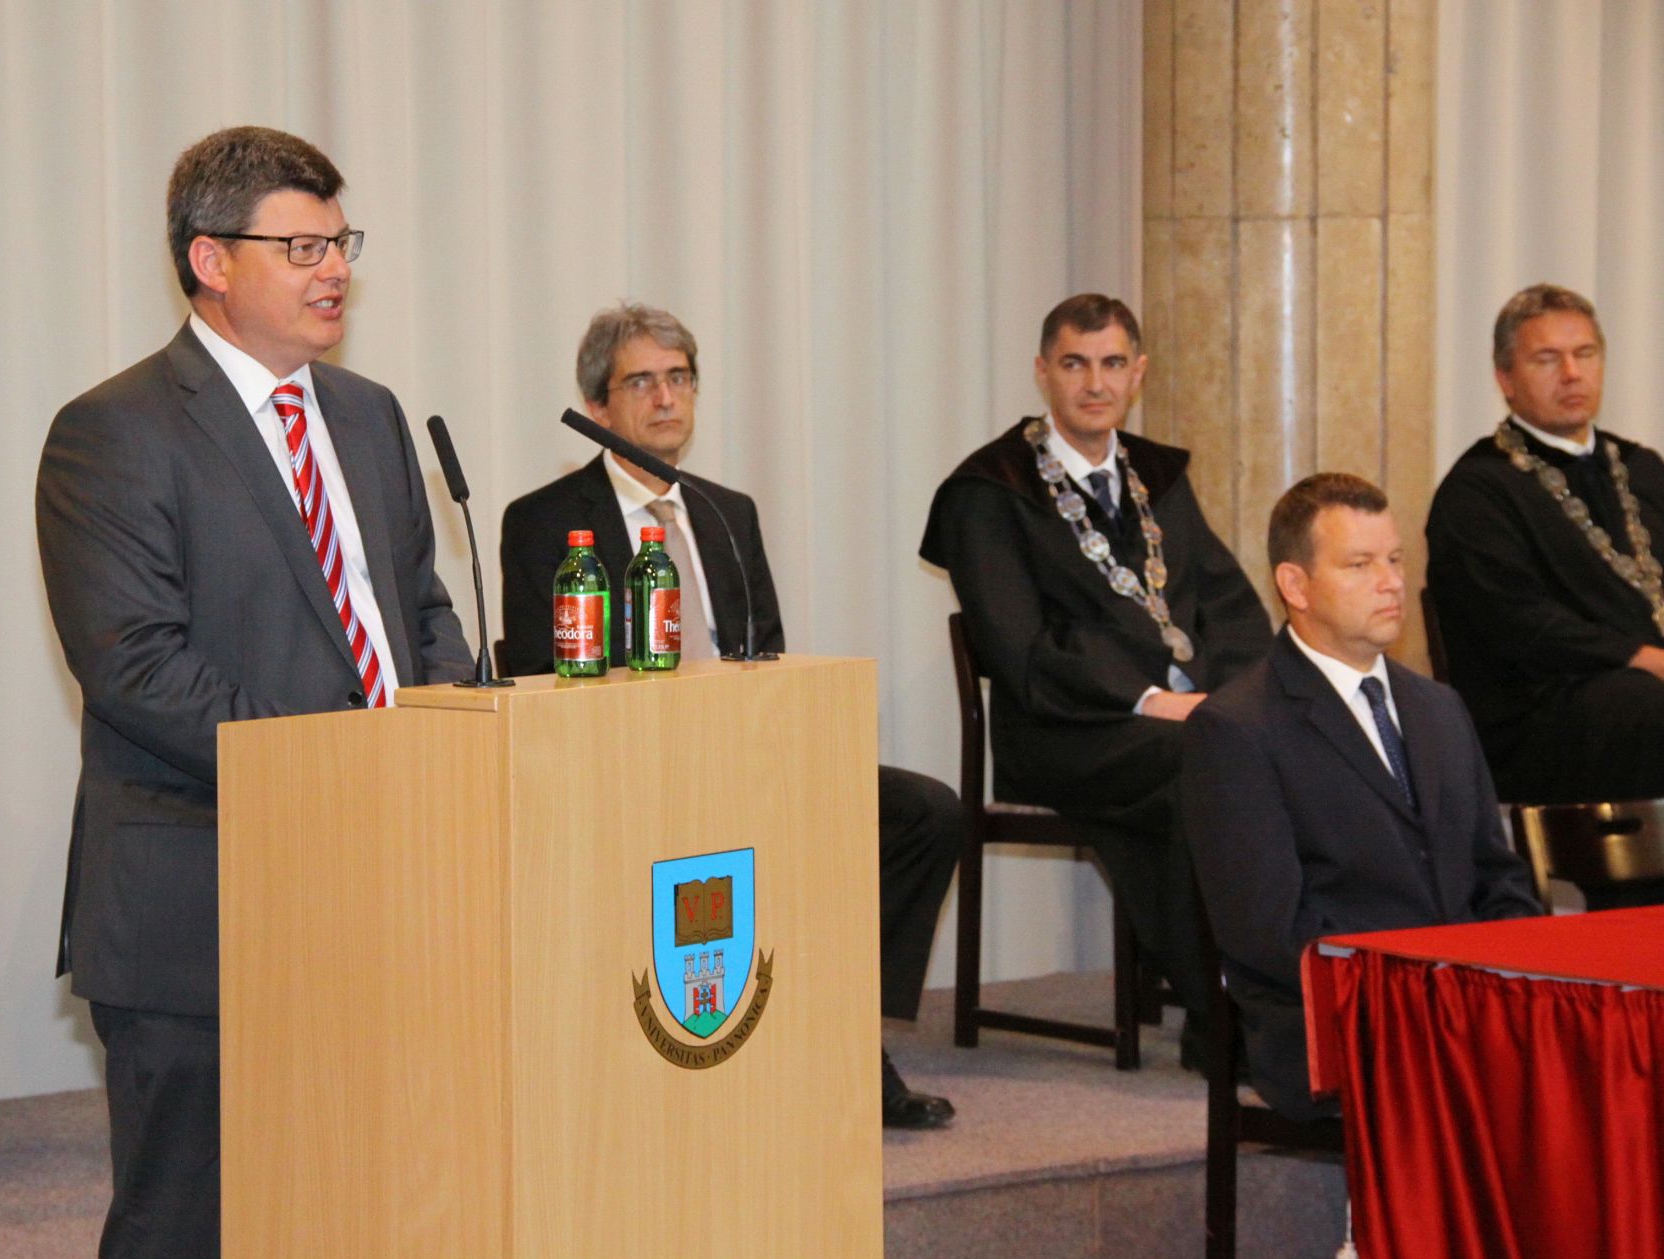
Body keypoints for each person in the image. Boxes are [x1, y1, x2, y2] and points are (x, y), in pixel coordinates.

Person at [37, 127, 471, 1259]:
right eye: (301, 248)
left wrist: (449, 731)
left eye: (340, 243)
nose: (334, 272)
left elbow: (417, 611)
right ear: (211, 261)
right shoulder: (114, 431)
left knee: (361, 1203)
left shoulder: (369, 413)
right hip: (204, 895)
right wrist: (345, 763)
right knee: (190, 1224)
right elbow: (137, 667)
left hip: (384, 878)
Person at [500, 302, 962, 1128]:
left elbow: (766, 653)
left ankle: (846, 1028)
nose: (665, 398)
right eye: (641, 382)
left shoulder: (724, 511)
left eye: (679, 378)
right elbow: (540, 671)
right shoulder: (543, 521)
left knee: (924, 811)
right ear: (597, 405)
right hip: (625, 767)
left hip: (744, 756)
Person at [919, 293, 1272, 1068]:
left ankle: (1285, 988)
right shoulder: (989, 490)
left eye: (1112, 364)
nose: (1094, 383)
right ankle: (1224, 1017)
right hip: (1061, 730)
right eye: (1074, 364)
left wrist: (1231, 698)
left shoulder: (1158, 476)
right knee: (1202, 762)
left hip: (1182, 718)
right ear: (1042, 372)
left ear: (1137, 373)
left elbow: (1229, 607)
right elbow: (1022, 647)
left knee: (1281, 748)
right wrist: (1153, 700)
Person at [1183, 474, 1540, 1119]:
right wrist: (1426, 994)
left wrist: (1515, 982)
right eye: (1360, 564)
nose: (1392, 582)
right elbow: (1270, 932)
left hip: (1461, 1010)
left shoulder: (1439, 707)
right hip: (1342, 1021)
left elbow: (1498, 877)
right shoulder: (1237, 727)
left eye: (1396, 560)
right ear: (1295, 586)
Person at [1427, 284, 1664, 818]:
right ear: (1505, 379)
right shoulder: (1476, 491)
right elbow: (1521, 625)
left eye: (1585, 354)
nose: (1572, 374)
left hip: (1638, 691)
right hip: (1541, 715)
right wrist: (1647, 659)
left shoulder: (1642, 468)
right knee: (1647, 706)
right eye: (1547, 359)